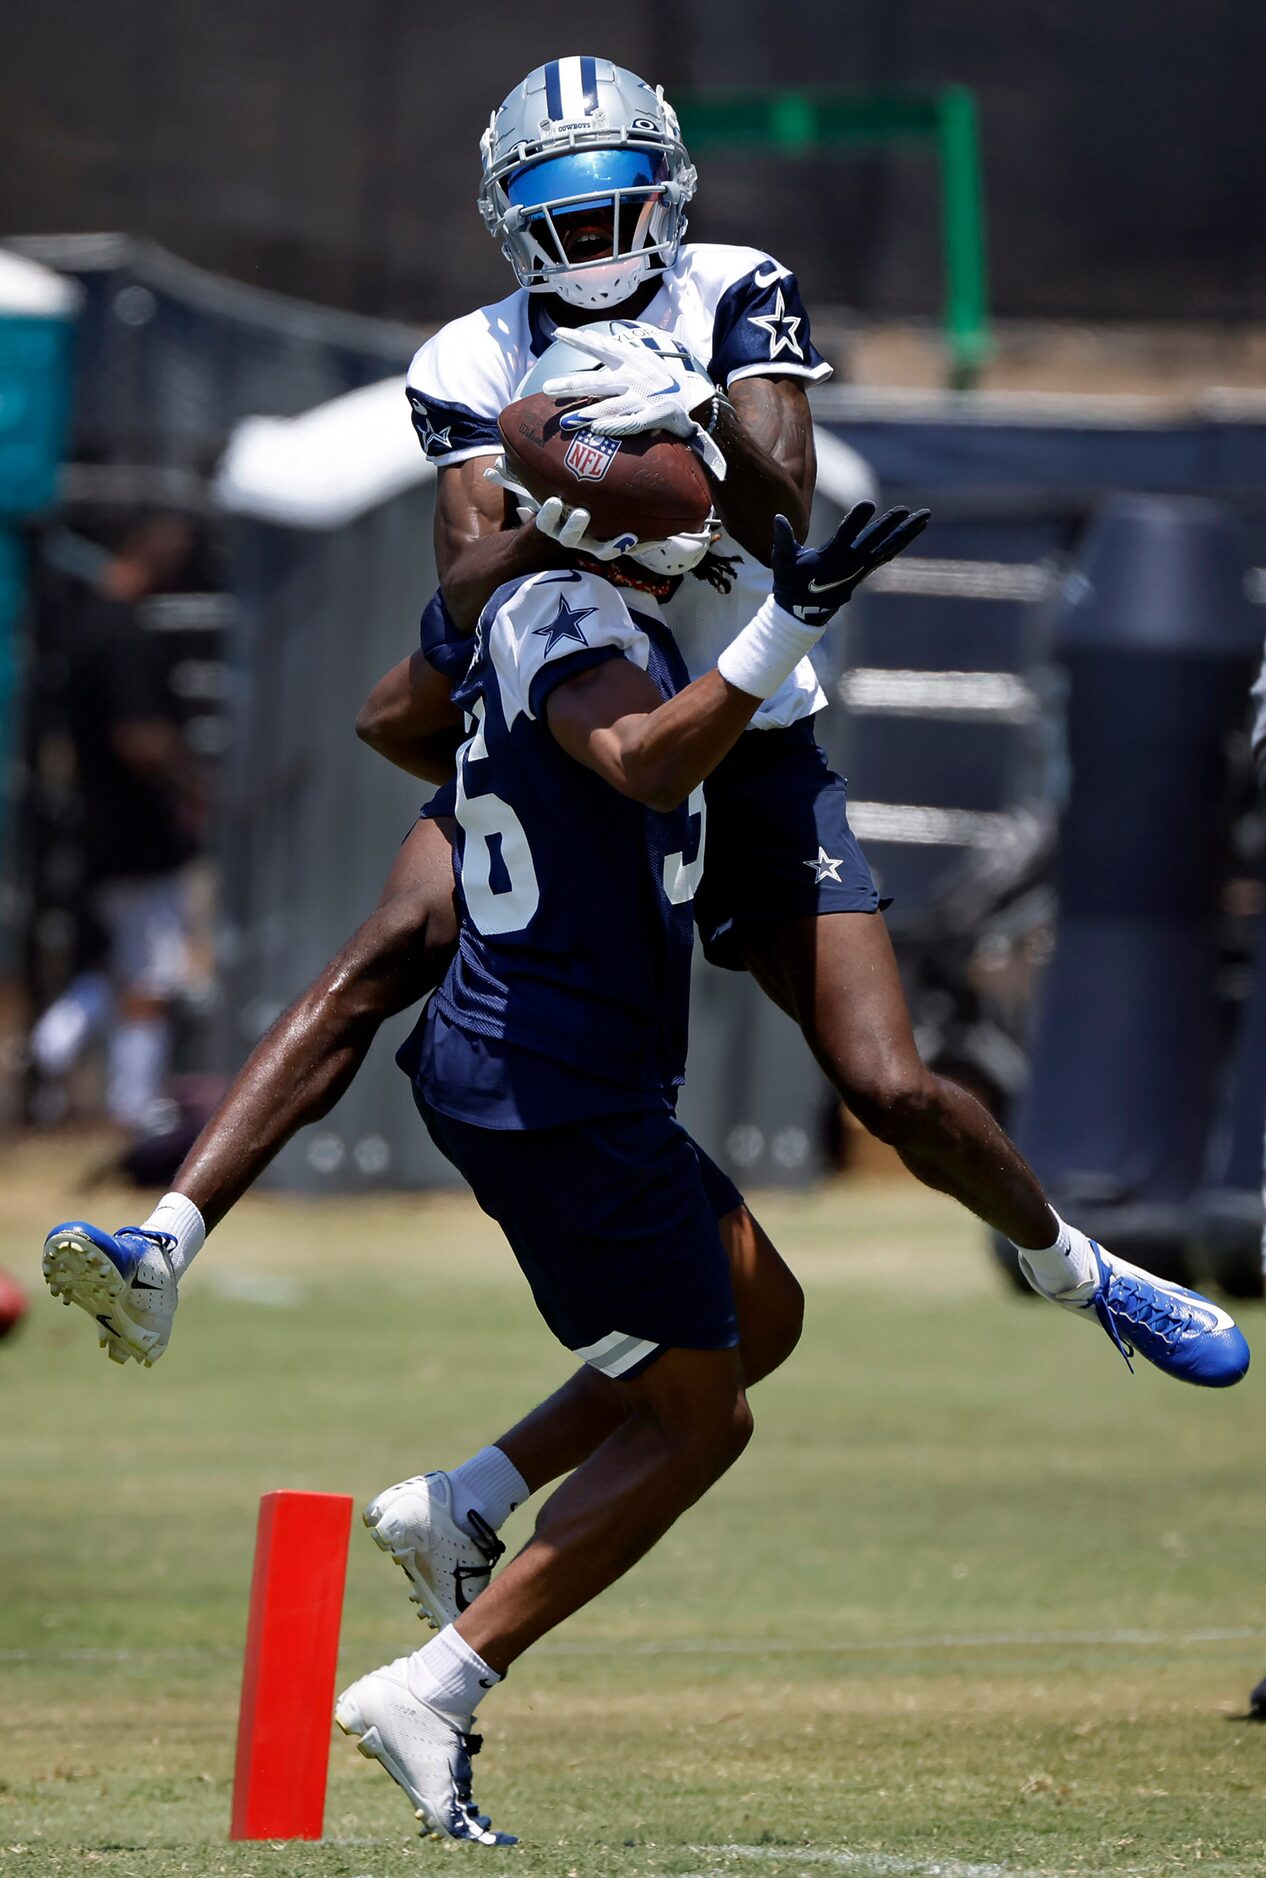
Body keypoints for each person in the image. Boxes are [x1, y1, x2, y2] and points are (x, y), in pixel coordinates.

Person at [41, 63, 1250, 1369]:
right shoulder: (471, 354)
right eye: (561, 219)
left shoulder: (730, 286)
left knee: (887, 1082)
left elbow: (780, 511)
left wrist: (684, 429)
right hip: (577, 687)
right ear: (512, 223)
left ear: (664, 196)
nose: (594, 243)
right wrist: (561, 497)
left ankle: (1077, 1270)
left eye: (615, 211)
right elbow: (461, 574)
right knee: (389, 943)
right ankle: (164, 1241)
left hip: (746, 713)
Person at [48, 437, 926, 1837]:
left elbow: (409, 715)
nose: (701, 502)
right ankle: (439, 1681)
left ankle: (461, 1499)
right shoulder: (570, 614)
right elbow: (641, 757)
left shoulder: (541, 608)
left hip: (551, 1064)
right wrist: (782, 619)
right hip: (557, 1075)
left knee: (761, 1309)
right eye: (675, 483)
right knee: (705, 1422)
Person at [29, 515, 209, 1129]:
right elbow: (139, 736)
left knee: (116, 964)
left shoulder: (83, 627)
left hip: (98, 821)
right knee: (151, 970)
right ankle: (134, 1106)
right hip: (138, 828)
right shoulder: (124, 633)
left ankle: (50, 1049)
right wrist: (193, 784)